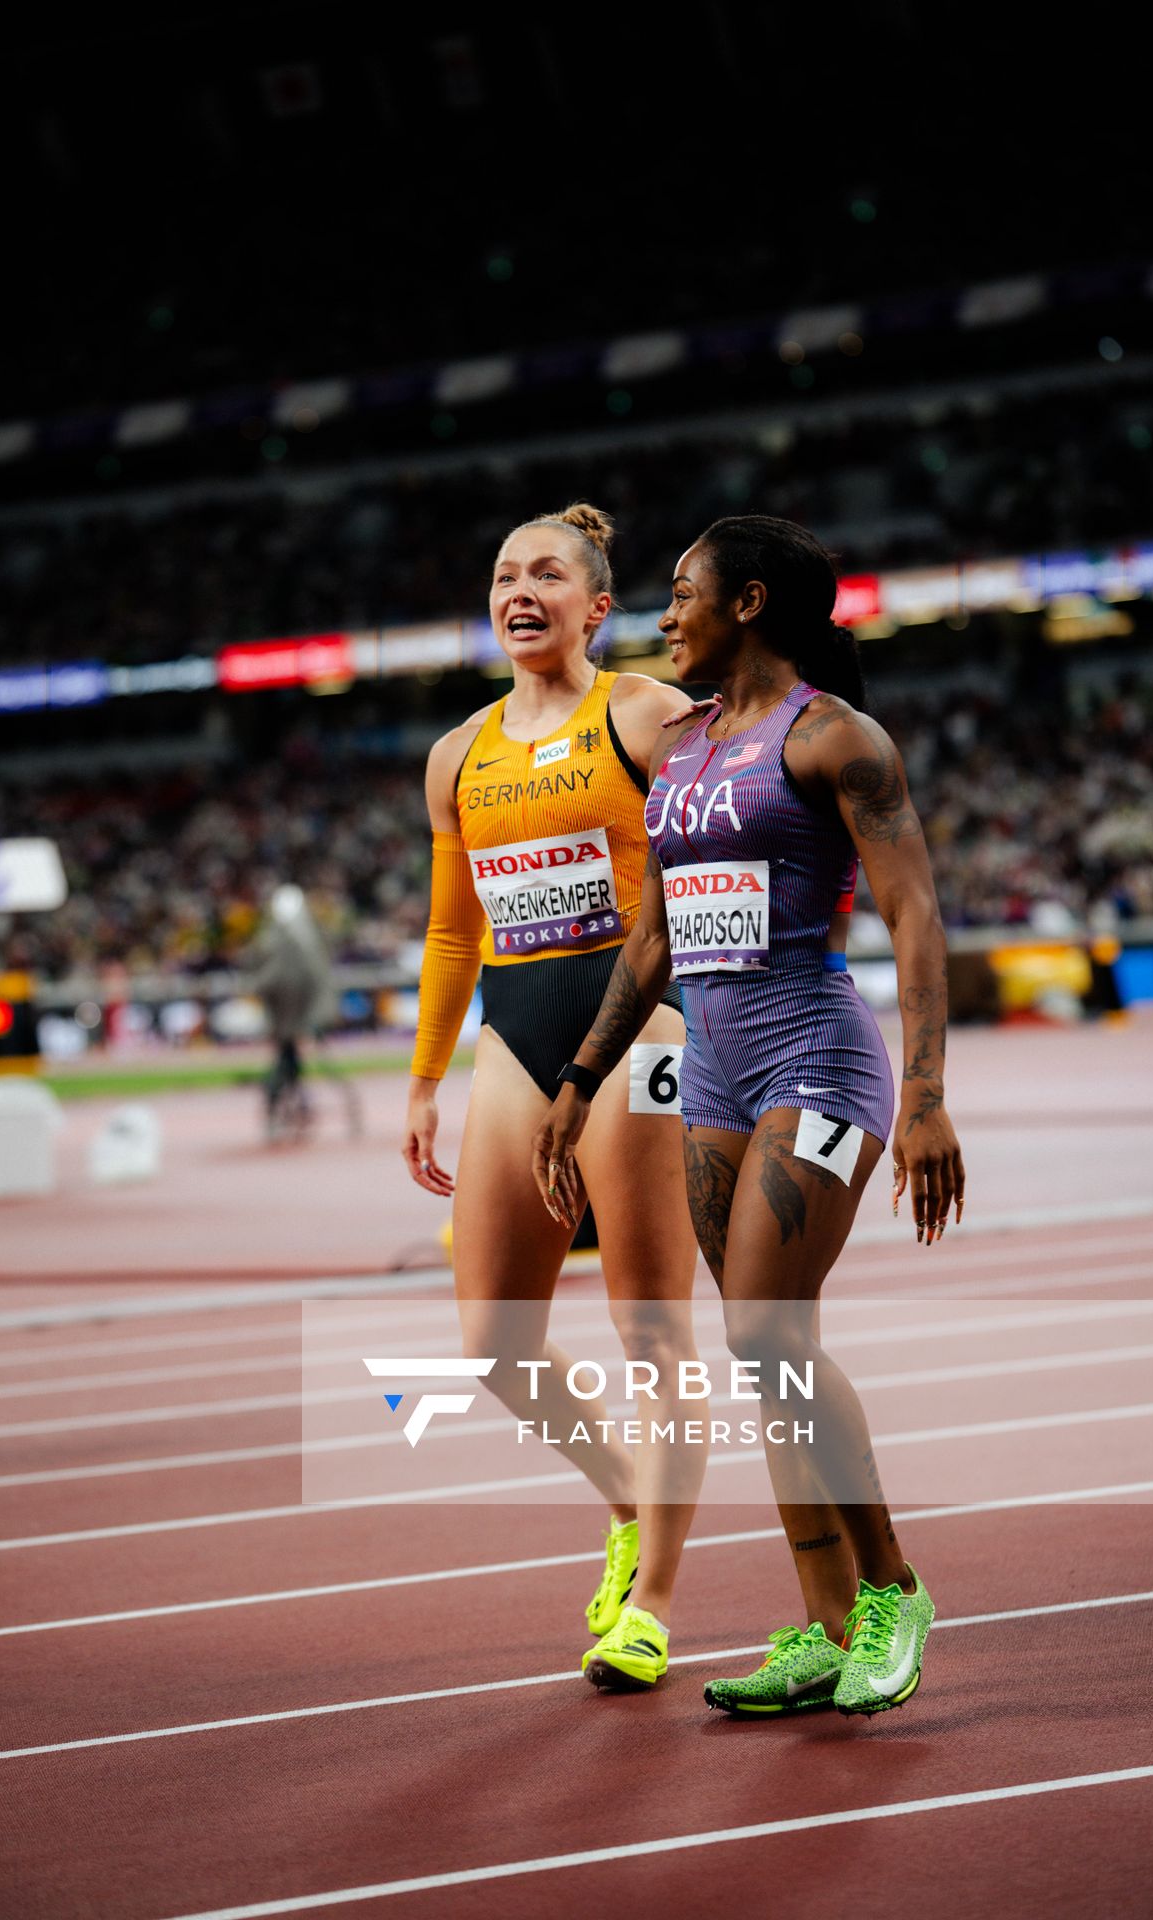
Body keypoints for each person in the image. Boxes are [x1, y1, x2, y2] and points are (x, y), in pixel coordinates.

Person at [534, 514, 965, 1718]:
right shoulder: (677, 749)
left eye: (683, 592)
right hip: (715, 1076)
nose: (663, 614)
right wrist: (578, 1080)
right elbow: (655, 937)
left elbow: (914, 914)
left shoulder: (833, 739)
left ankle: (892, 1591)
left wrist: (926, 1100)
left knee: (767, 1336)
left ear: (750, 602)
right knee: (767, 1358)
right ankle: (823, 1630)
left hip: (813, 1057)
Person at [404, 502, 705, 1691]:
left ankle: (654, 1605)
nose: (518, 592)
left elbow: (717, 864)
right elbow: (450, 931)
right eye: (501, 576)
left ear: (597, 606)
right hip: (516, 1033)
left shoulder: (645, 714)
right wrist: (422, 1082)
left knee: (651, 1328)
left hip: (638, 1025)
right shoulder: (457, 754)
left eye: (545, 575)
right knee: (493, 1341)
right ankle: (628, 1504)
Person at [252, 884, 338, 1140]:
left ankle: (278, 1101)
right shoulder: (305, 933)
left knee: (287, 1060)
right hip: (300, 1014)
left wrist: (258, 985)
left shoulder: (287, 937)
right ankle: (287, 1103)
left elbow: (279, 977)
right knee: (288, 1060)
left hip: (297, 1015)